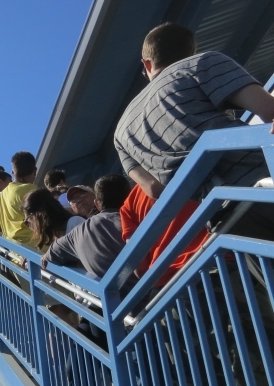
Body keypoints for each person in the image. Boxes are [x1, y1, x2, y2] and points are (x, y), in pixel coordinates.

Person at [113, 22, 274, 200]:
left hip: (219, 212)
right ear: (189, 52)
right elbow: (269, 110)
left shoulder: (121, 132)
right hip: (264, 177)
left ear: (147, 64)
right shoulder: (199, 63)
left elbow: (153, 189)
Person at [41, 175, 132, 279]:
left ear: (96, 201)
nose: (78, 201)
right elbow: (54, 250)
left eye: (82, 196)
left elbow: (54, 252)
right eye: (73, 200)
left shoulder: (77, 232)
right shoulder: (76, 233)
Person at [120, 184, 208, 288]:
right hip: (212, 259)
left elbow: (138, 264)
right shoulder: (196, 173)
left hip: (168, 283)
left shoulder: (131, 201)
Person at [0, 151, 39, 248]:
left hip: (16, 254)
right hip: (38, 249)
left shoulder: (1, 197)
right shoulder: (31, 190)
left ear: (13, 172)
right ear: (34, 170)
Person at [21, 188, 85, 253]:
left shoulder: (75, 223)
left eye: (27, 221)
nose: (29, 225)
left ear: (39, 215)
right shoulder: (51, 236)